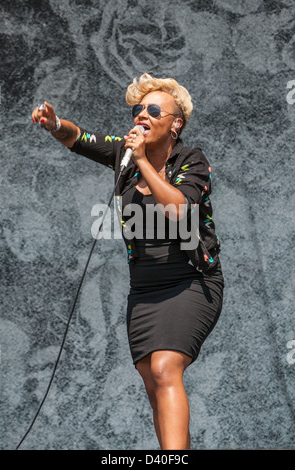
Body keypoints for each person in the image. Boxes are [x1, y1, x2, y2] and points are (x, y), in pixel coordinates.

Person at [31, 73, 224, 450]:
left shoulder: (191, 160)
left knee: (165, 367)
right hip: (145, 290)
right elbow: (80, 138)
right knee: (153, 382)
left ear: (175, 123)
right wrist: (55, 125)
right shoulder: (123, 154)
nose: (142, 116)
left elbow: (181, 211)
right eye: (138, 110)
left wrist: (141, 161)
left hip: (191, 282)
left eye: (154, 110)